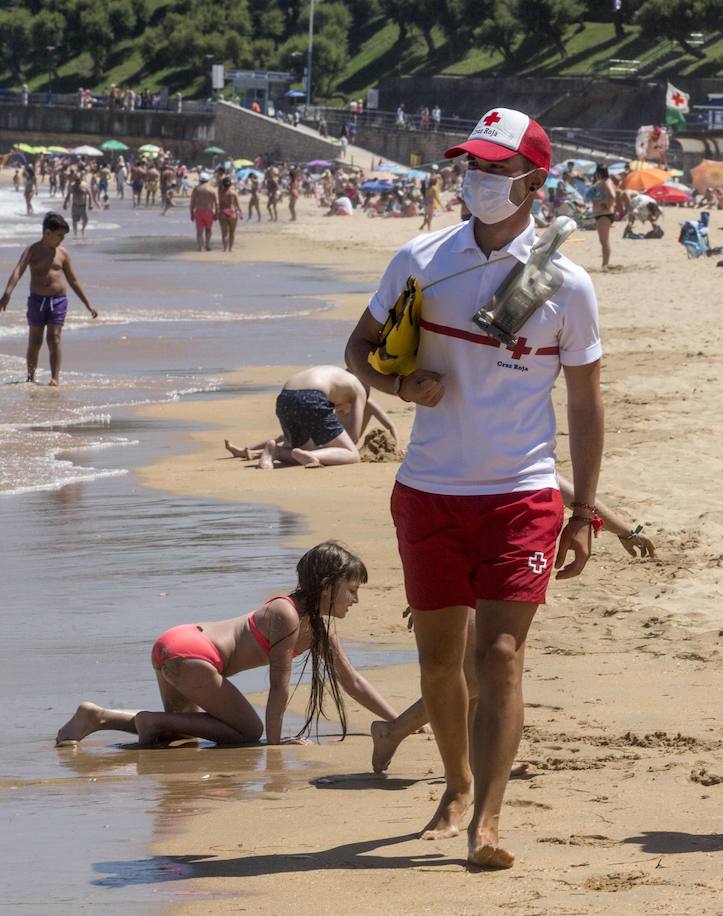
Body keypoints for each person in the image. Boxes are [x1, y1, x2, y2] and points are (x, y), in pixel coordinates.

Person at [344, 107, 603, 869]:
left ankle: (487, 819)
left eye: (494, 168)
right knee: (436, 664)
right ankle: (455, 785)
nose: (478, 180)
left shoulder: (566, 281)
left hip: (520, 492)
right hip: (428, 488)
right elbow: (358, 350)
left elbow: (586, 404)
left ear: (532, 180)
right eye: (472, 166)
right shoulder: (420, 258)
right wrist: (398, 383)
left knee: (498, 657)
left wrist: (583, 510)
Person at [370, 486, 655, 772]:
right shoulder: (461, 455)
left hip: (497, 562)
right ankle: (393, 731)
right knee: (476, 677)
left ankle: (475, 761)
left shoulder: (512, 454)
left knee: (481, 671)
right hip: (456, 554)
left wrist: (624, 531)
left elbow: (567, 490)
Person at [54, 542, 408, 747]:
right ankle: (149, 721)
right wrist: (274, 744)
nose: (355, 600)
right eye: (352, 590)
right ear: (328, 586)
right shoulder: (285, 613)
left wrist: (403, 721)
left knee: (181, 727)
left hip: (175, 645)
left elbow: (353, 682)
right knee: (247, 733)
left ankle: (98, 717)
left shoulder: (319, 630)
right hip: (194, 654)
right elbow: (278, 687)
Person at [224, 365, 396, 469]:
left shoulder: (335, 375)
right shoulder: (360, 390)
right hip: (312, 397)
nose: (342, 411)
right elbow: (354, 436)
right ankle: (313, 456)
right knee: (352, 455)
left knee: (306, 451)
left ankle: (274, 451)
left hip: (285, 398)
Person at [0, 213, 99, 386]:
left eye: (63, 236)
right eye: (59, 235)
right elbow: (18, 271)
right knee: (35, 340)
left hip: (58, 301)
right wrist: (7, 293)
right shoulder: (32, 250)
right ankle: (30, 377)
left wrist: (87, 303)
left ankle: (55, 378)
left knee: (54, 338)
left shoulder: (63, 254)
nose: (61, 239)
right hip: (37, 301)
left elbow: (73, 280)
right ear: (47, 233)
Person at [590, 164, 616, 270]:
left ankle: (605, 265)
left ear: (599, 173)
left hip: (604, 214)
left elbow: (613, 195)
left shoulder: (606, 182)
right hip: (601, 214)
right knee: (603, 241)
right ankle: (604, 264)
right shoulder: (603, 182)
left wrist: (606, 204)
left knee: (604, 241)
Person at [189, 172, 218, 252]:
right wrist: (216, 214)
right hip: (209, 211)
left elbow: (192, 203)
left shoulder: (197, 189)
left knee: (199, 231)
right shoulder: (212, 189)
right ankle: (207, 245)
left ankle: (200, 247)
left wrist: (191, 213)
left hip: (199, 211)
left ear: (200, 180)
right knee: (208, 229)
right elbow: (217, 203)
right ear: (208, 180)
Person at [217, 176, 243, 253]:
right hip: (232, 212)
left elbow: (218, 204)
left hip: (223, 212)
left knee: (224, 233)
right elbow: (238, 205)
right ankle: (230, 249)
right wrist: (241, 213)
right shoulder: (234, 193)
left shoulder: (220, 193)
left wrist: (216, 213)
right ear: (230, 184)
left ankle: (224, 249)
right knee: (232, 232)